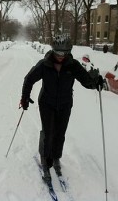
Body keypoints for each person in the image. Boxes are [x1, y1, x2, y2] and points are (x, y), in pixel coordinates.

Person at [20, 35, 104, 182]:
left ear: (68, 52)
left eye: (63, 53)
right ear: (53, 50)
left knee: (60, 133)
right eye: (58, 53)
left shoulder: (73, 65)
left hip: (65, 104)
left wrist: (95, 83)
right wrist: (25, 98)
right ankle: (46, 159)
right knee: (49, 132)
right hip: (46, 103)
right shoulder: (44, 64)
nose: (60, 56)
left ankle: (56, 157)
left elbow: (86, 81)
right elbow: (29, 79)